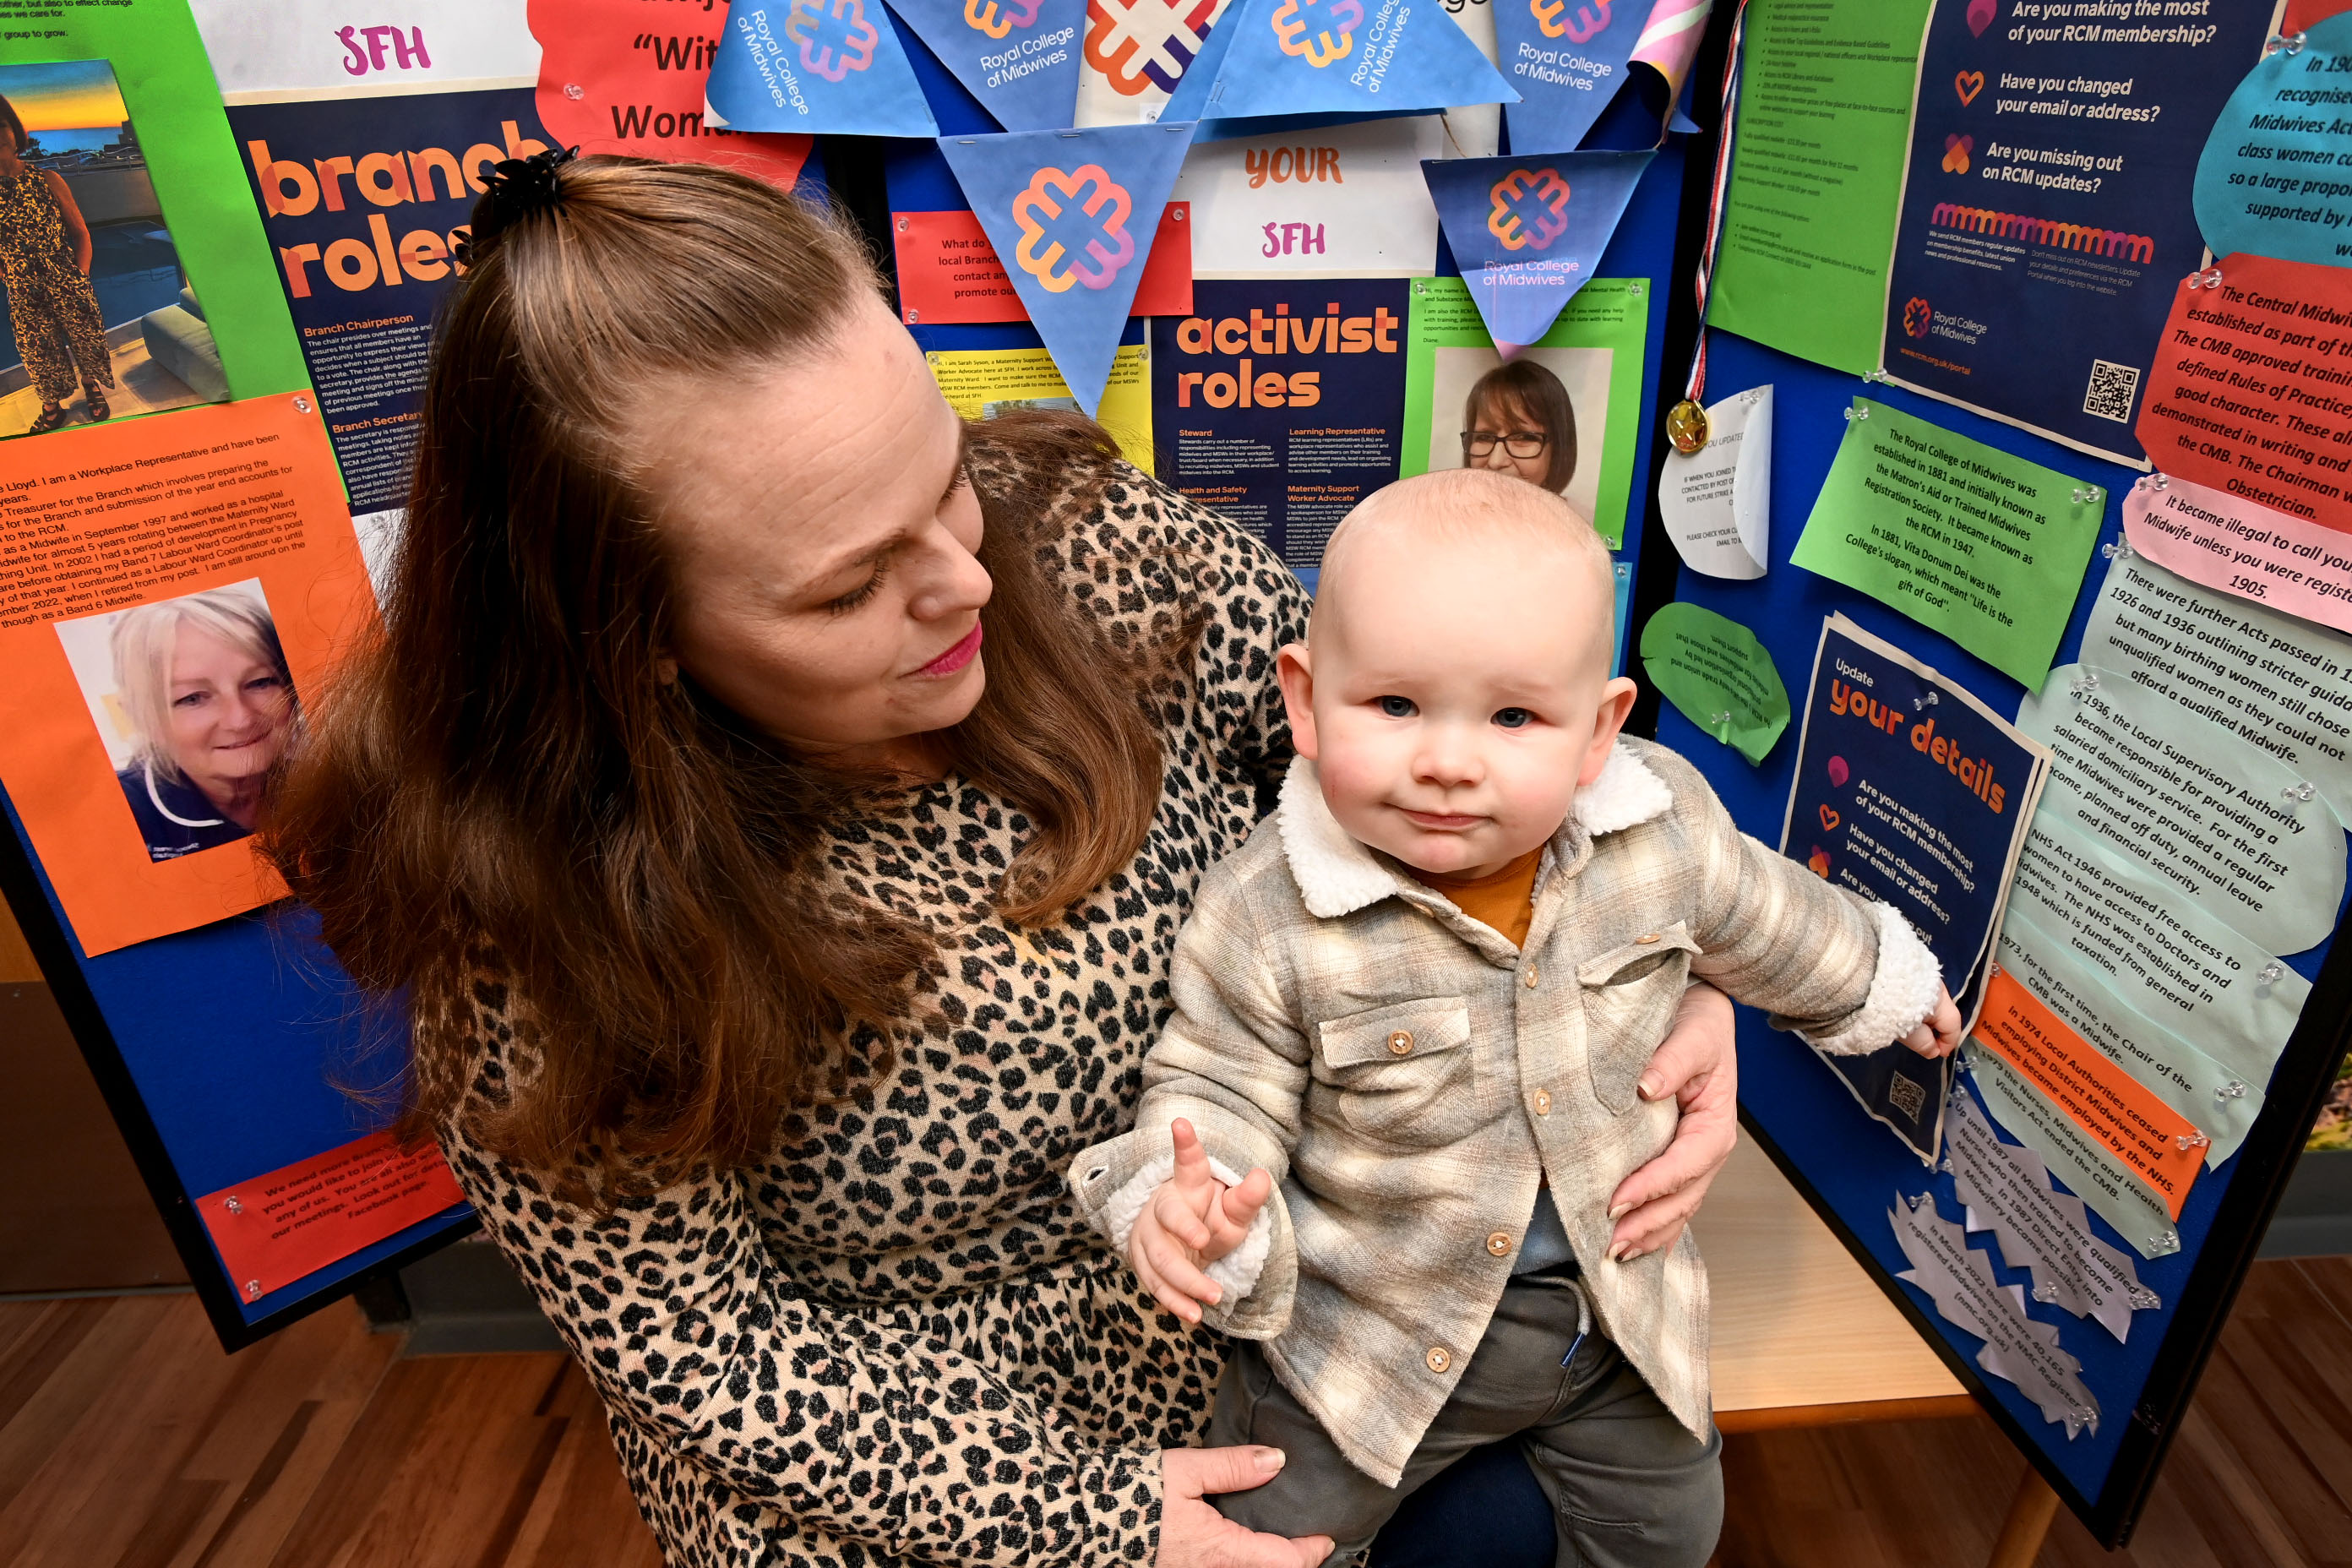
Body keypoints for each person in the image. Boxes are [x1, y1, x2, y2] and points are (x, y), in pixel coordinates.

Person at [259, 151, 1747, 1568]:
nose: (967, 575)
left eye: (943, 476)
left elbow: (1444, 757)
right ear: (633, 643)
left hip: (1300, 1330)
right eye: (852, 583)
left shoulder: (1098, 548)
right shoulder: (539, 912)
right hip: (924, 1466)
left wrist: (1645, 964)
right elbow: (700, 1351)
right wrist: (1083, 1523)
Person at [1071, 471, 1964, 1568]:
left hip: (1614, 1315)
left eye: (1514, 717)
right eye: (1394, 706)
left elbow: (1765, 913)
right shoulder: (1266, 913)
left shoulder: (1659, 829)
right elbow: (1217, 1079)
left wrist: (1884, 979)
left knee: (1675, 1529)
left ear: (1599, 733)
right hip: (1372, 1340)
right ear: (1305, 700)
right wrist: (1194, 1196)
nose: (1449, 761)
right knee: (1271, 1531)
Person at [109, 588, 297, 863]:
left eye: (260, 682)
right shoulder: (119, 812)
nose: (240, 719)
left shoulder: (330, 777)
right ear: (141, 717)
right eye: (192, 698)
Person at [0, 93, 113, 436]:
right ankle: (53, 408)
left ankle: (91, 385)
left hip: (66, 279)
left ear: (14, 131)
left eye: (0, 124)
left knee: (86, 340)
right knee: (38, 355)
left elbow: (81, 234)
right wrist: (8, 277)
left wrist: (80, 277)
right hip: (23, 291)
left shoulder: (47, 180)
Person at [1460, 360, 1576, 493]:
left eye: (1524, 437)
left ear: (1558, 450)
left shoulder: (1573, 514)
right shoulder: (1444, 509)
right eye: (1484, 437)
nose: (1495, 462)